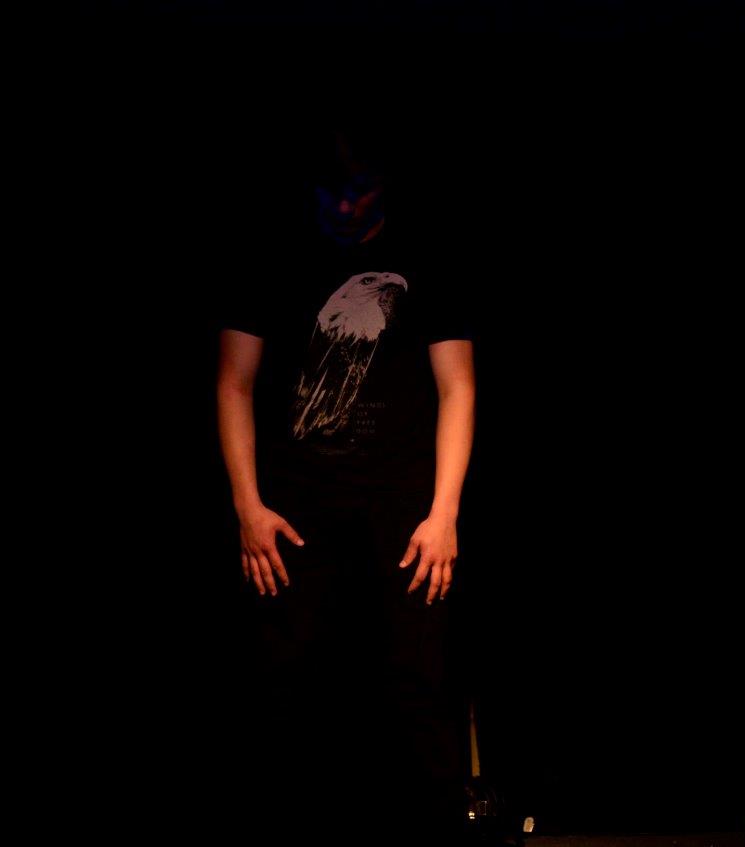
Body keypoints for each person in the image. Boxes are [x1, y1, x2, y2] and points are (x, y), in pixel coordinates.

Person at [215, 126, 476, 830]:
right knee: (286, 682)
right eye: (332, 192)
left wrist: (444, 512)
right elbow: (234, 382)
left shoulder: (426, 259)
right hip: (294, 508)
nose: (345, 207)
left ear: (383, 185)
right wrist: (248, 506)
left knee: (416, 681)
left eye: (359, 191)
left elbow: (457, 385)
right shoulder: (270, 257)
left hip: (403, 507)